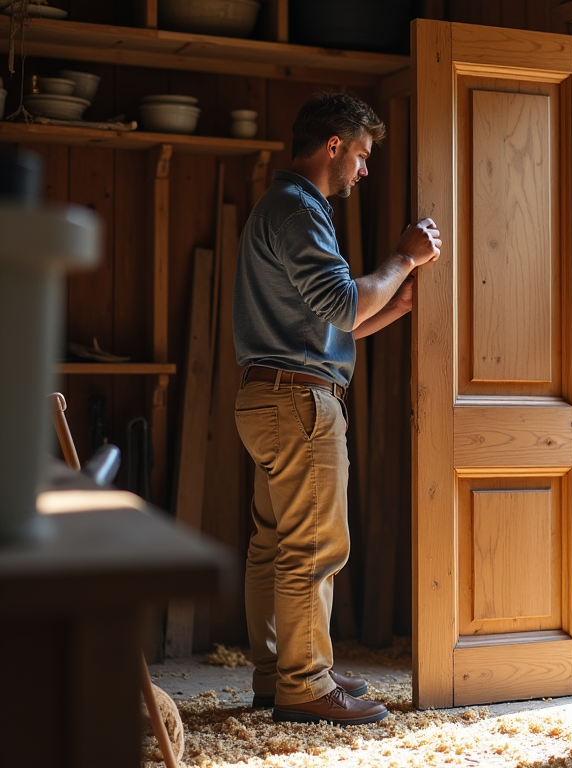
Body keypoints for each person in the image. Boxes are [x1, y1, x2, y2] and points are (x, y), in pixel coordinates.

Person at [232, 91, 441, 726]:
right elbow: (344, 304)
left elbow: (323, 321)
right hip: (299, 404)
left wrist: (394, 306)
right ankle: (304, 683)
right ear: (334, 147)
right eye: (362, 154)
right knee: (314, 549)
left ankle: (281, 672)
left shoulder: (280, 206)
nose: (364, 169)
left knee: (274, 545)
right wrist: (405, 257)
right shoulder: (301, 208)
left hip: (268, 396)